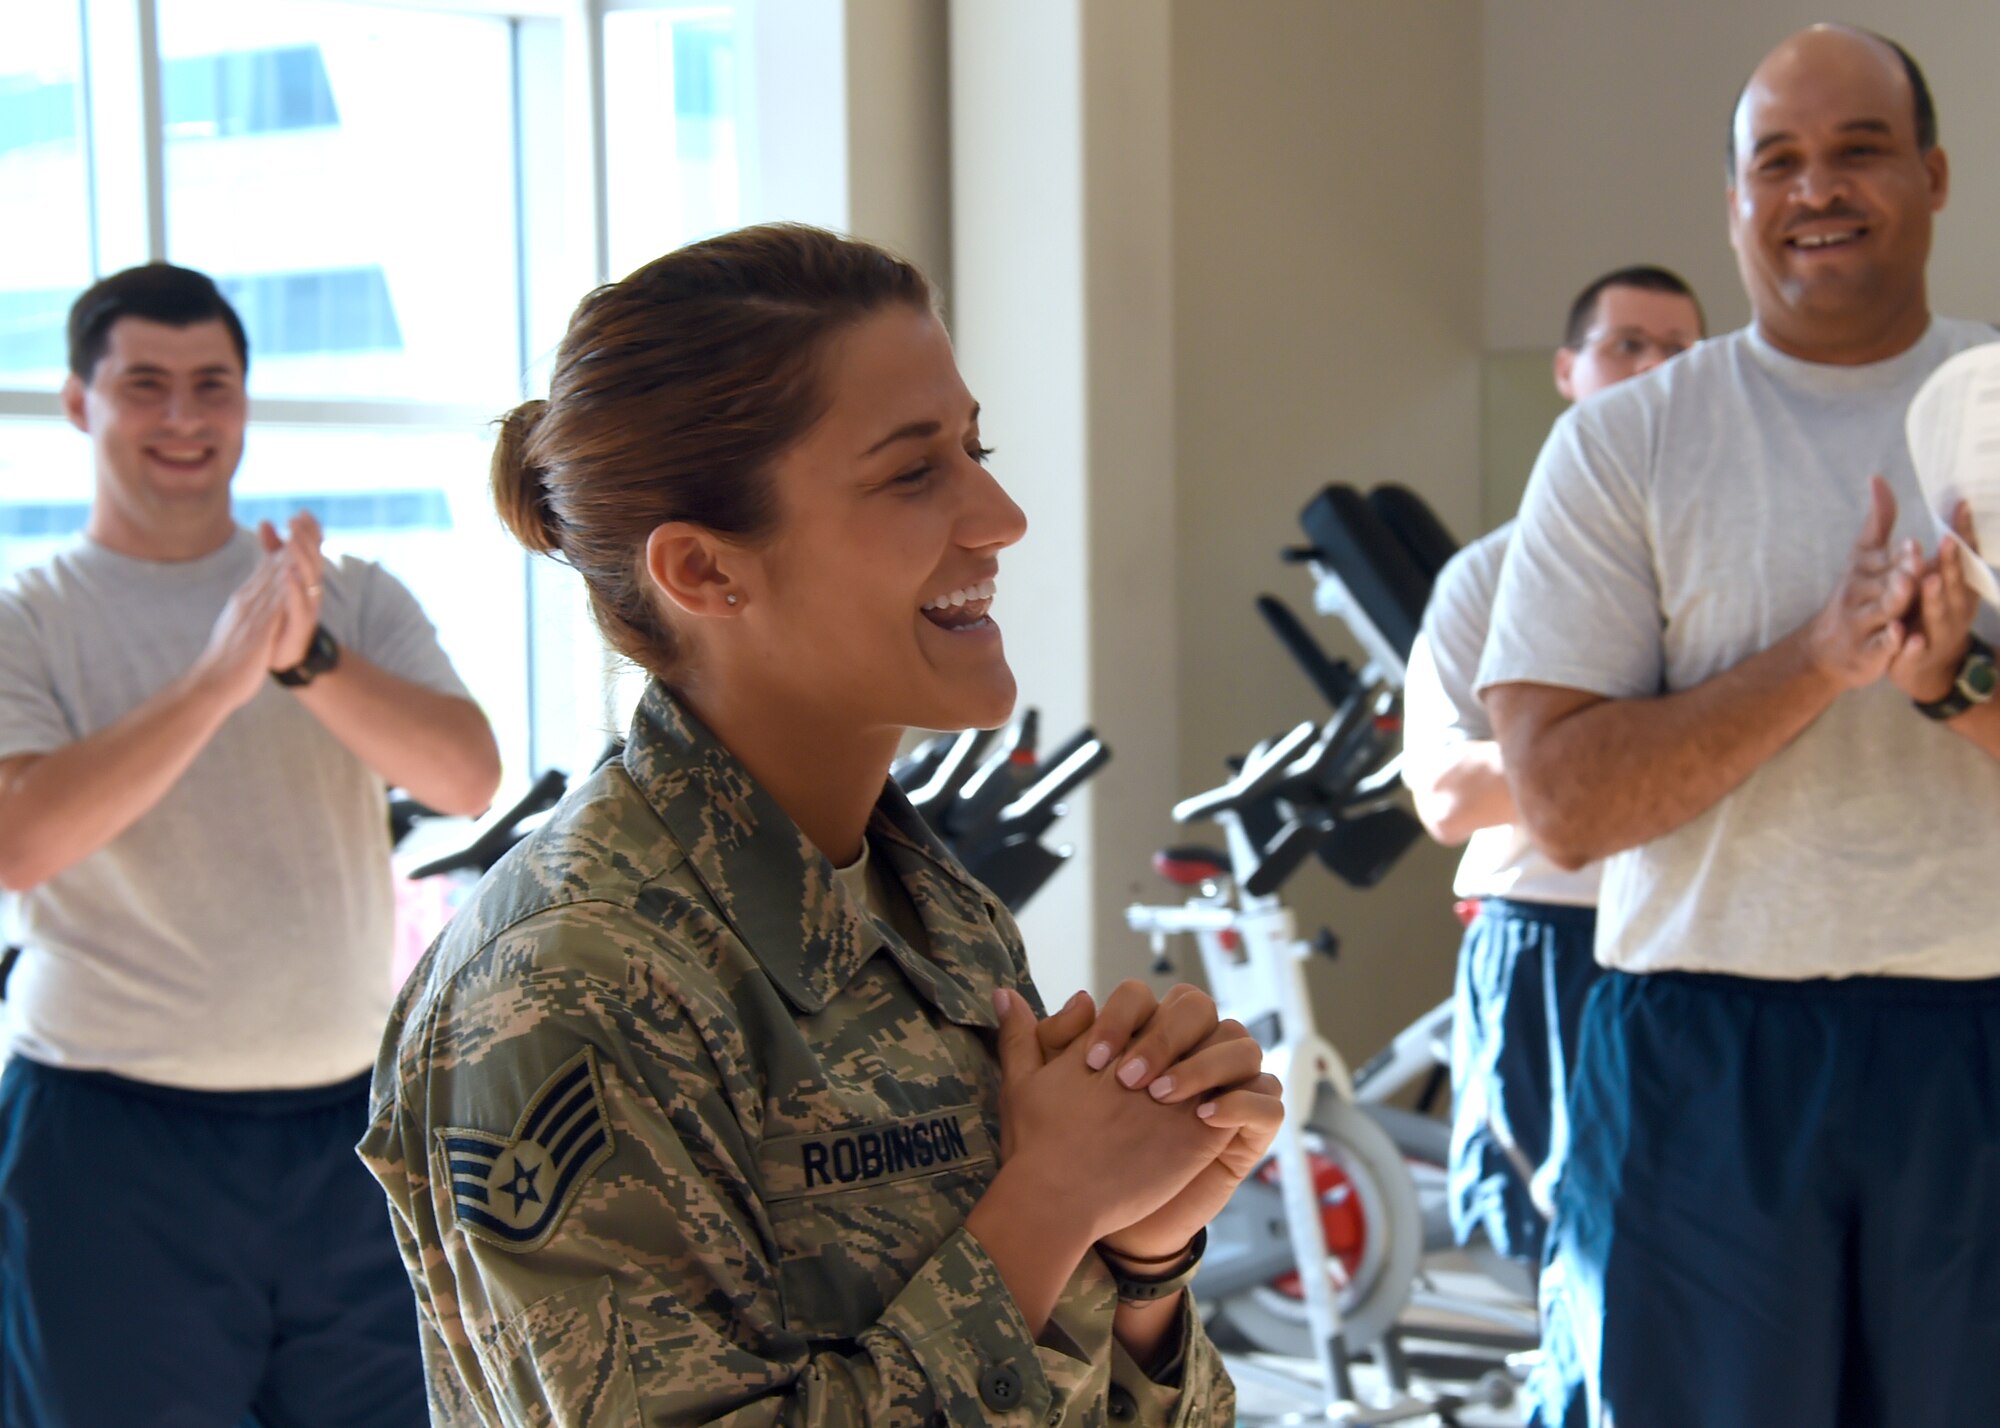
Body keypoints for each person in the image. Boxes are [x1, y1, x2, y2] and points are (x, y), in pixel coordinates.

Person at [358, 224, 1279, 1427]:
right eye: (913, 473)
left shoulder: (929, 914)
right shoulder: (568, 986)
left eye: (974, 448)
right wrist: (1050, 1205)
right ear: (701, 570)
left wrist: (1138, 1260)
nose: (997, 515)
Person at [1479, 26, 2000, 1428]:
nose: (1816, 187)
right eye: (1779, 160)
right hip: (1697, 1059)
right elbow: (1567, 806)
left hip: (1976, 1046)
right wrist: (1821, 659)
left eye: (1859, 150)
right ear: (1734, 204)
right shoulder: (1624, 443)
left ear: (1936, 175)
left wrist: (1958, 688)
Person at [0, 263, 503, 1427]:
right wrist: (219, 677)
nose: (183, 417)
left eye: (211, 385)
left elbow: (464, 775)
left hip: (347, 1128)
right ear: (81, 403)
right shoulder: (31, 620)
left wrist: (303, 660)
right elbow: (21, 844)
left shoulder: (343, 597)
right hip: (107, 1138)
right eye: (146, 386)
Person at [1401, 266, 1704, 1269]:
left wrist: (1589, 757)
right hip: (1549, 942)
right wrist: (1643, 753)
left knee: (1707, 1253)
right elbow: (1446, 794)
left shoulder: (1728, 569)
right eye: (1627, 345)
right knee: (1560, 1261)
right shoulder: (1487, 577)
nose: (1655, 367)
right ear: (1567, 371)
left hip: (1703, 944)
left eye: (1680, 351)